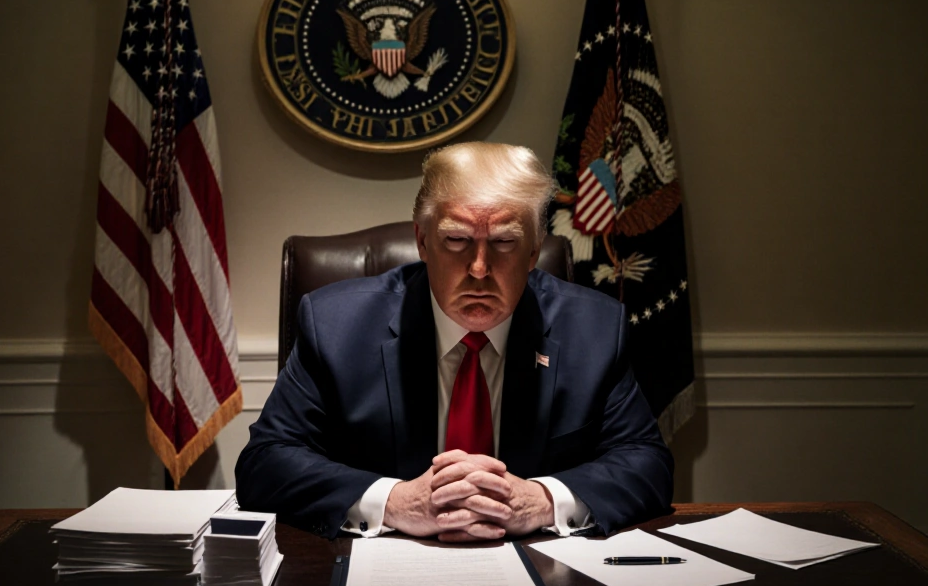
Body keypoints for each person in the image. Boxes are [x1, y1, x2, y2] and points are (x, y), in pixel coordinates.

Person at [235, 142, 674, 541]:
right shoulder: (336, 326)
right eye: (457, 240)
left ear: (534, 250)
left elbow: (646, 463)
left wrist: (540, 501)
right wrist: (395, 503)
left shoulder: (594, 329)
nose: (479, 268)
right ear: (422, 241)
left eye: (504, 242)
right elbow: (265, 462)